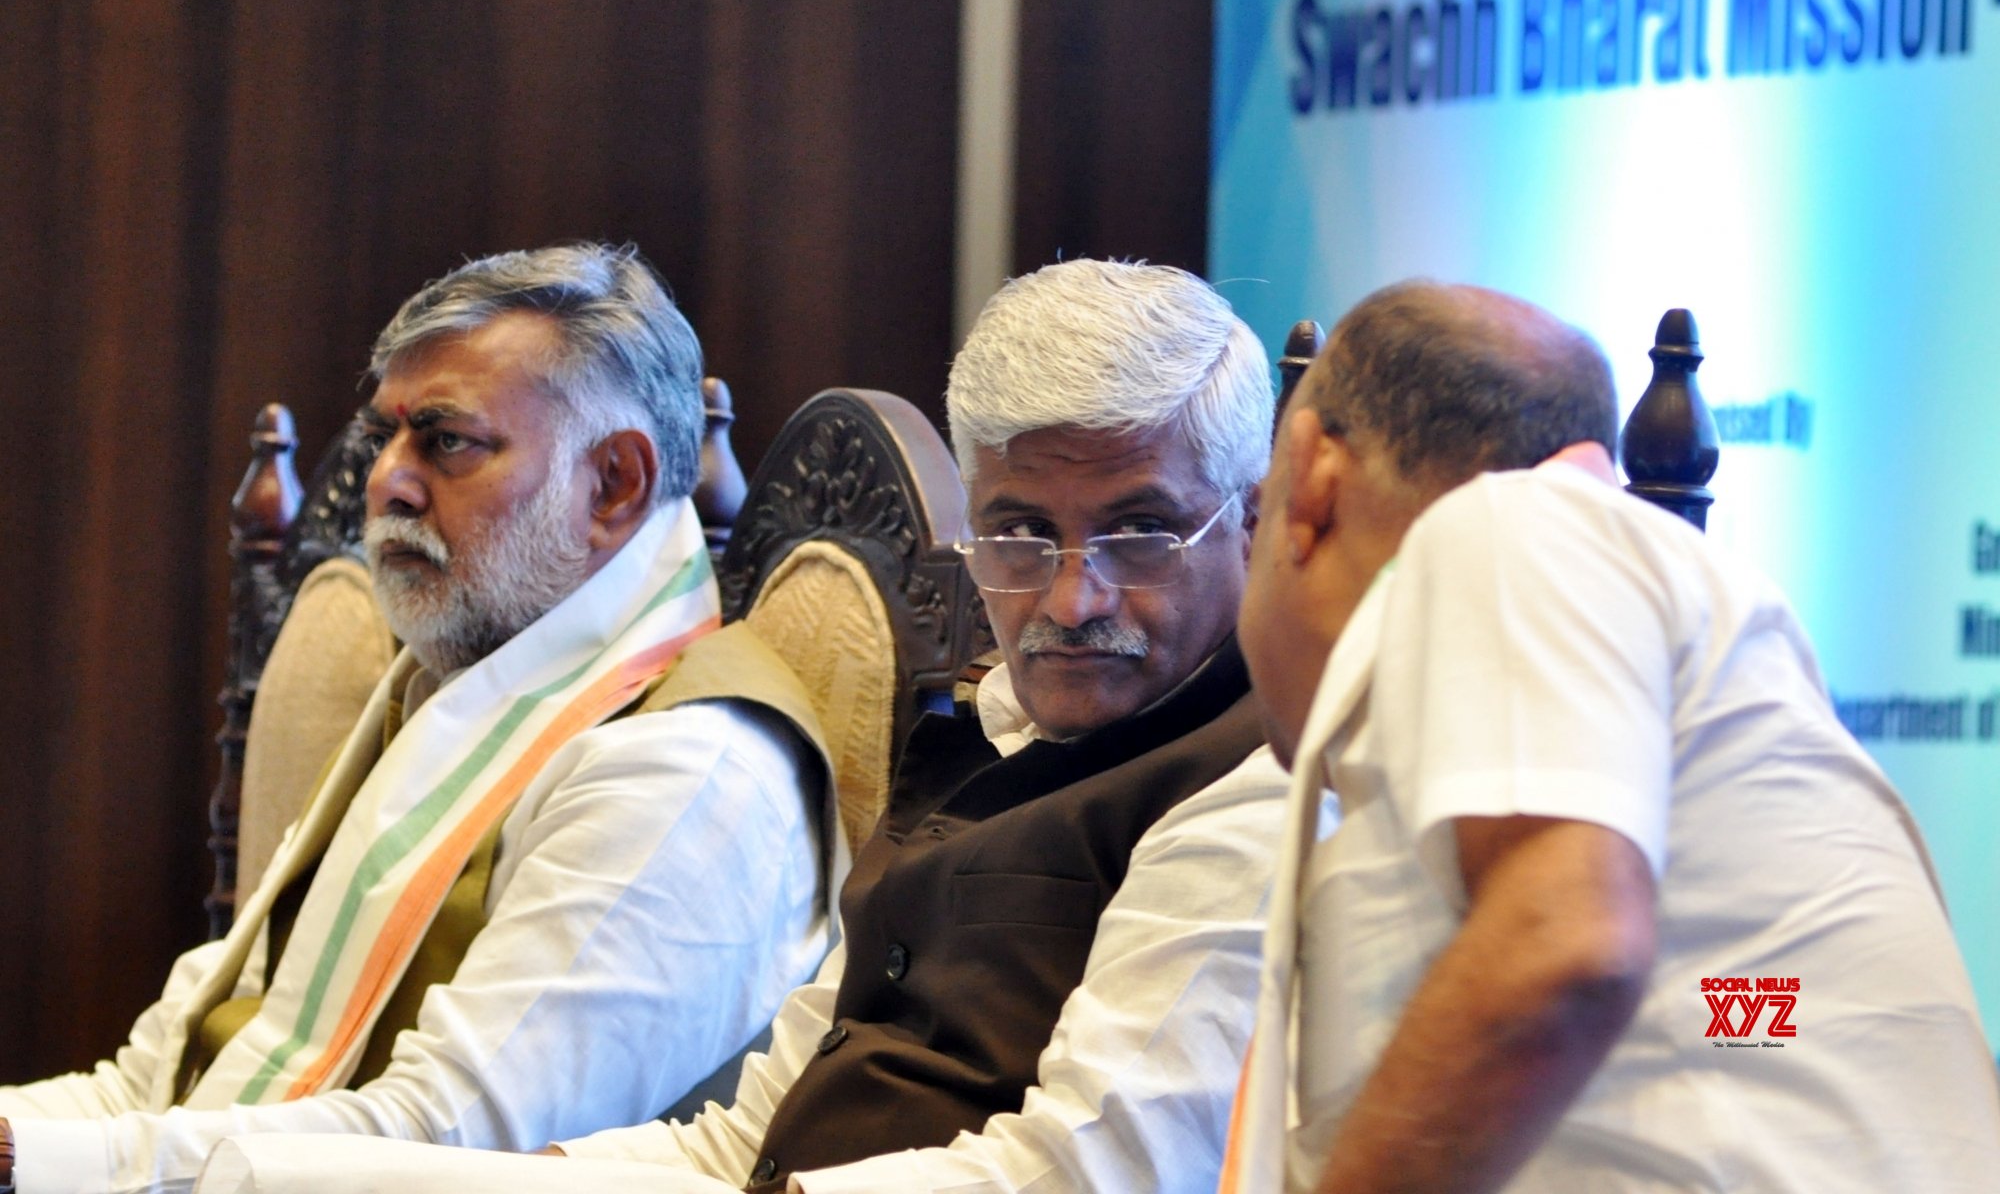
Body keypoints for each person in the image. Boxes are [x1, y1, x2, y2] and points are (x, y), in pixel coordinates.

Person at [195, 258, 1321, 1194]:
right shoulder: (988, 730)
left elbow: (1076, 1176)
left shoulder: (1249, 776)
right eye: (1020, 533)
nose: (1072, 597)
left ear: (1257, 520)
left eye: (1139, 533)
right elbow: (746, 1137)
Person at [0, 244, 839, 1194]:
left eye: (446, 441)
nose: (386, 482)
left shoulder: (690, 766)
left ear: (613, 485)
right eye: (385, 438)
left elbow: (437, 1147)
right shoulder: (463, 687)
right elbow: (165, 1079)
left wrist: (32, 1162)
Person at [1223, 280, 2000, 1193]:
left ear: (1310, 475)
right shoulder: (1638, 595)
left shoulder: (1510, 520)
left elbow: (1563, 950)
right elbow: (1726, 1016)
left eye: (1255, 513)